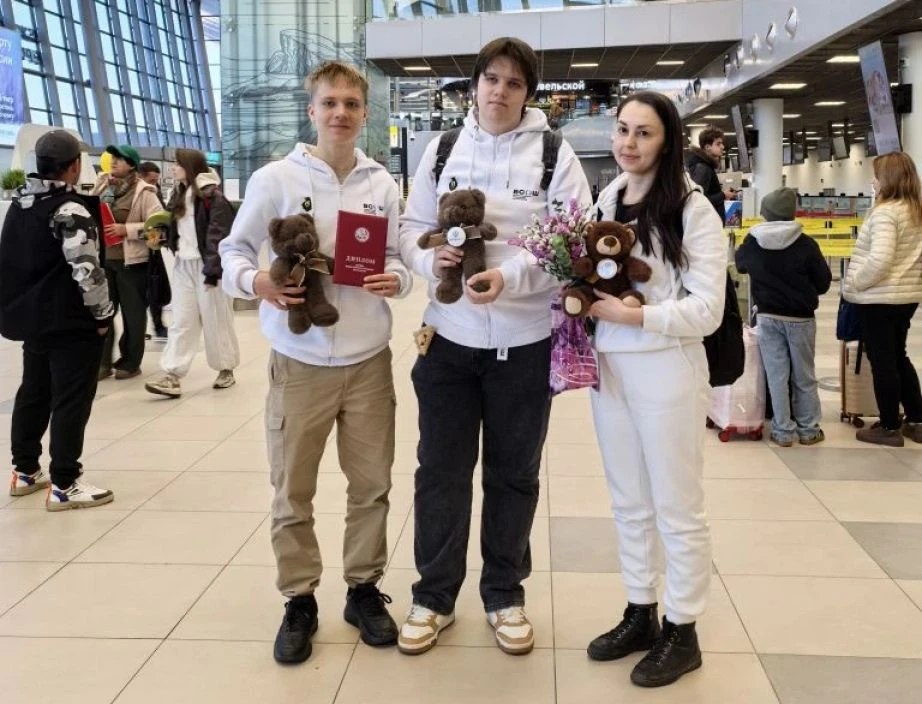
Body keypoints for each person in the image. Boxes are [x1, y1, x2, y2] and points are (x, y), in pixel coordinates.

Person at [397, 37, 590, 657]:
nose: (499, 91)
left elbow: (573, 243)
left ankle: (504, 593)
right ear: (474, 85)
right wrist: (430, 263)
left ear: (528, 93)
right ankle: (433, 597)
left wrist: (510, 277)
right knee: (440, 472)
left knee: (514, 474)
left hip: (524, 343)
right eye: (491, 79)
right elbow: (410, 228)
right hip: (447, 343)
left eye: (514, 82)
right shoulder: (442, 149)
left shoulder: (554, 154)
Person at [220, 60, 411, 665]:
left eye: (351, 104)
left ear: (365, 113)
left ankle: (362, 588)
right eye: (330, 103)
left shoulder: (382, 184)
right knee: (292, 488)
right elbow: (233, 250)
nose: (340, 113)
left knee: (372, 485)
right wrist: (257, 283)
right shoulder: (276, 178)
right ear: (312, 111)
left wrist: (398, 279)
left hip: (368, 360)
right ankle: (299, 598)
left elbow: (399, 255)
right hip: (298, 361)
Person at [585, 91, 724, 687]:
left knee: (676, 504)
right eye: (622, 129)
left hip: (666, 366)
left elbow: (709, 309)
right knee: (628, 499)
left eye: (643, 133)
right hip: (610, 368)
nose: (629, 142)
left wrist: (638, 316)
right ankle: (640, 610)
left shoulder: (692, 209)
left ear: (667, 142)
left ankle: (682, 627)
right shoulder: (608, 197)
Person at [0, 130, 115, 510]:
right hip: (70, 321)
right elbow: (87, 270)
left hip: (32, 319)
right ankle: (65, 483)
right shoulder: (70, 210)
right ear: (74, 166)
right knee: (71, 399)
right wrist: (103, 315)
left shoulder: (20, 205)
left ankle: (25, 471)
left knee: (34, 392)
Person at [735, 187, 831, 447]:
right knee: (804, 375)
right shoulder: (806, 244)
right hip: (801, 318)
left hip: (767, 316)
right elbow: (823, 283)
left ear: (765, 212)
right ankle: (809, 430)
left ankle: (782, 431)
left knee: (776, 375)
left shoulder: (753, 241)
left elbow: (740, 264)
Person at [144, 148, 240, 398]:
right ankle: (172, 375)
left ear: (189, 166)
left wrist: (213, 272)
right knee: (182, 320)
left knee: (216, 319)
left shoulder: (213, 197)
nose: (173, 168)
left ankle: (226, 368)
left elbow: (219, 237)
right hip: (183, 265)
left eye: (177, 164)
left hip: (208, 267)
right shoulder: (178, 193)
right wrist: (162, 237)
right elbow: (176, 229)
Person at [843, 151, 922, 447]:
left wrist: (856, 281)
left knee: (883, 361)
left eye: (876, 176)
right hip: (906, 297)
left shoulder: (886, 213)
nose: (873, 182)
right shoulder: (915, 210)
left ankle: (889, 426)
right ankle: (916, 420)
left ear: (887, 179)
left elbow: (880, 260)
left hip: (879, 298)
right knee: (898, 356)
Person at [93, 145, 164, 380]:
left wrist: (127, 230)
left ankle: (131, 362)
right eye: (113, 158)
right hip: (104, 262)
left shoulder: (145, 193)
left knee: (133, 316)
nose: (114, 162)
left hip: (132, 264)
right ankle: (102, 362)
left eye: (120, 159)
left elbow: (159, 228)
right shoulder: (104, 185)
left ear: (132, 165)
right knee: (102, 314)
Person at [138, 161, 170, 340]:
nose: (154, 184)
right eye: (151, 180)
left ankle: (158, 325)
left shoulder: (155, 194)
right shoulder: (135, 195)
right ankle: (138, 328)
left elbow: (162, 219)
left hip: (153, 250)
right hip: (135, 250)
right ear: (140, 177)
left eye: (156, 181)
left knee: (155, 288)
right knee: (138, 292)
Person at [684, 125, 734, 223]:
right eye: (718, 144)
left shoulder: (703, 165)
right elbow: (697, 201)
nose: (722, 147)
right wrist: (723, 195)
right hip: (707, 224)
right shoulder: (703, 168)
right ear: (707, 147)